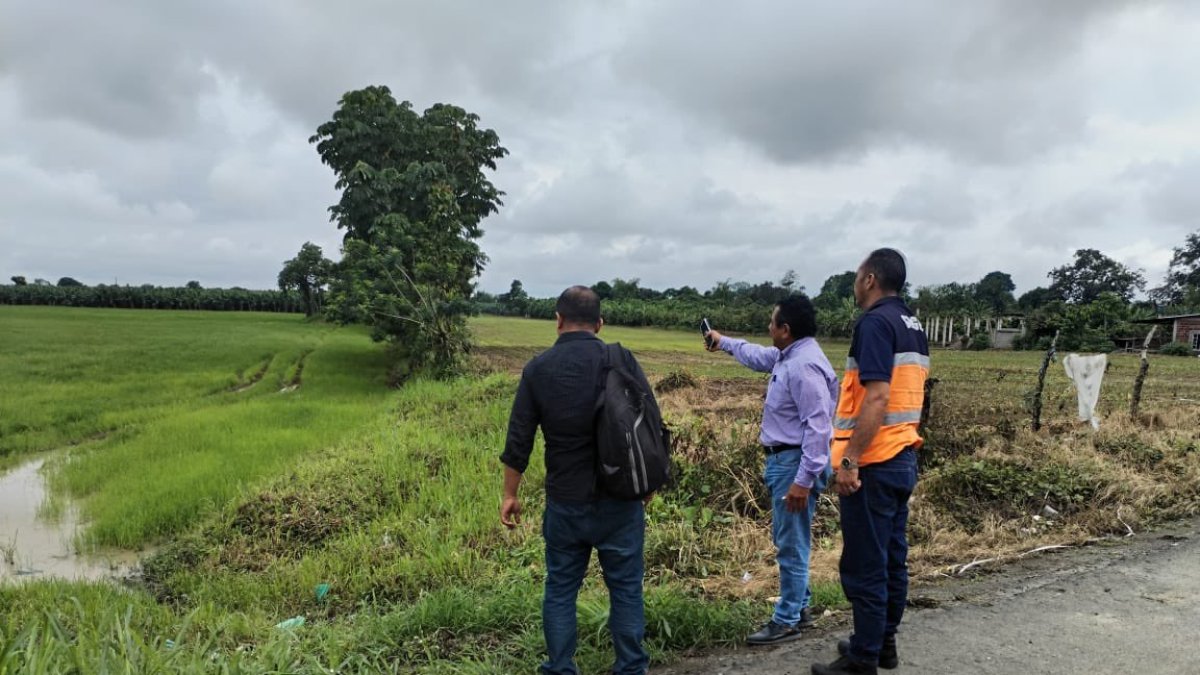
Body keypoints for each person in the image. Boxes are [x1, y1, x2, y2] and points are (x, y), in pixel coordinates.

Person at [499, 285, 660, 675]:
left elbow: (519, 438)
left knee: (560, 589)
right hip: (620, 500)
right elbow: (651, 424)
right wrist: (648, 484)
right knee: (625, 588)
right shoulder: (619, 360)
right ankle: (630, 667)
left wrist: (510, 494)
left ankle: (559, 667)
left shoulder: (538, 369)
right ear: (599, 323)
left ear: (557, 321)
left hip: (566, 503)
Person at [812, 249, 929, 675]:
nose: (854, 282)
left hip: (874, 461)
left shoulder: (875, 323)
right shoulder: (912, 325)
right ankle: (882, 644)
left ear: (870, 279)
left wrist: (850, 461)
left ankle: (862, 658)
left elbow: (877, 396)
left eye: (858, 274)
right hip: (902, 457)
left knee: (866, 564)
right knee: (892, 558)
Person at [705, 294, 838, 645]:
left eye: (771, 322)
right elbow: (757, 355)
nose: (768, 328)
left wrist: (802, 481)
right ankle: (801, 606)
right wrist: (724, 343)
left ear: (785, 329)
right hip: (790, 461)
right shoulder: (790, 355)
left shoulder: (802, 366)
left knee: (790, 544)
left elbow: (819, 427)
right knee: (792, 538)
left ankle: (787, 619)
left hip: (794, 463)